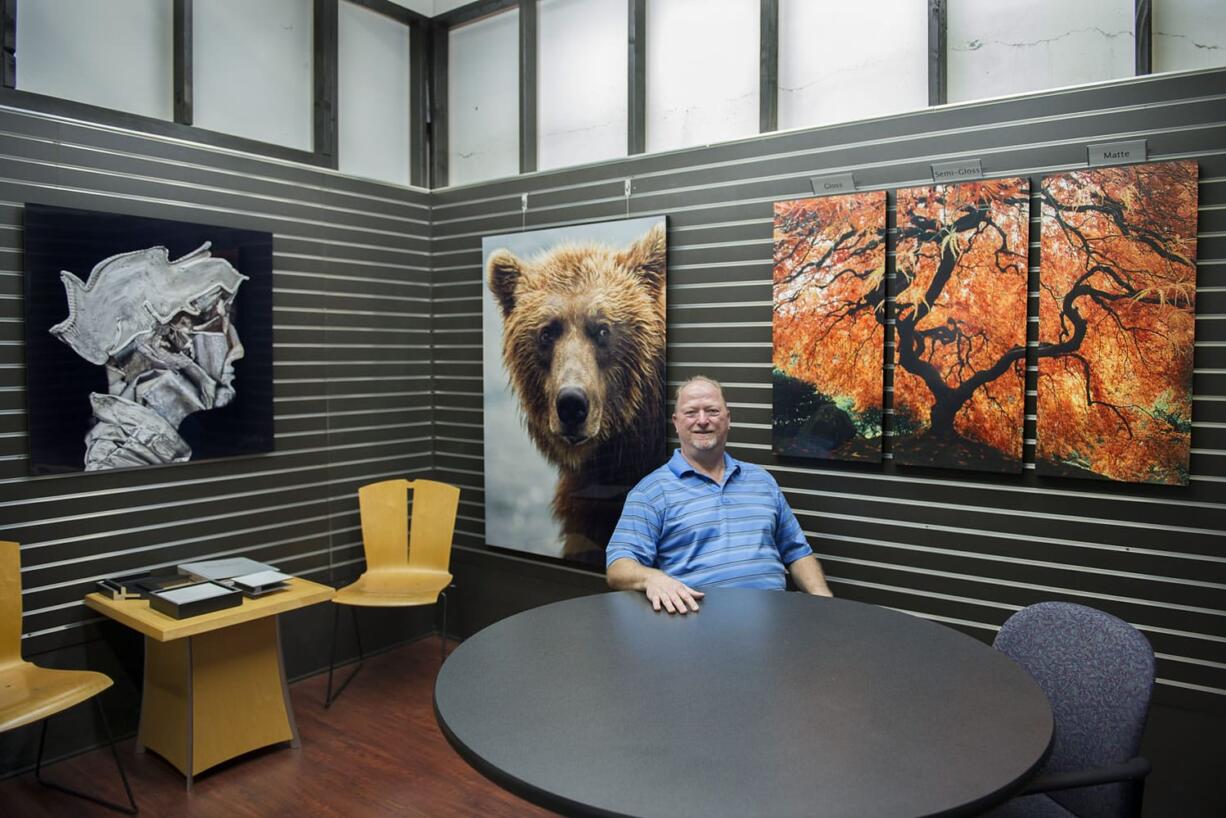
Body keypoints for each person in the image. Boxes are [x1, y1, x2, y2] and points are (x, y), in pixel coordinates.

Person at [606, 375, 832, 613]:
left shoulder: (762, 481)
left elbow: (797, 552)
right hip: (695, 626)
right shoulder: (650, 492)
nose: (702, 421)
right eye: (691, 412)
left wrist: (824, 601)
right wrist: (652, 578)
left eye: (712, 411)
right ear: (676, 422)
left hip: (772, 625)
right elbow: (618, 566)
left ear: (728, 418)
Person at [49, 242, 247, 470]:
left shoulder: (196, 436)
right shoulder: (117, 459)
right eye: (213, 319)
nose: (236, 348)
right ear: (161, 344)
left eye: (229, 315)